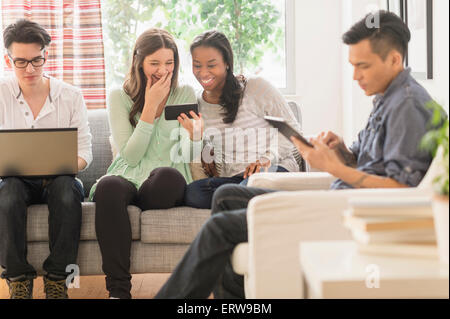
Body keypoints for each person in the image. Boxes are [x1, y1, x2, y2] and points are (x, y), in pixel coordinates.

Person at [155, 11, 445, 299]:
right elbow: (369, 163)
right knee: (226, 195)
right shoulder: (386, 98)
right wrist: (341, 151)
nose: (355, 76)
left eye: (363, 66)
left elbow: (402, 191)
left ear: (394, 60)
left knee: (219, 227)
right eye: (353, 66)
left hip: (347, 213)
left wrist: (334, 168)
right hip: (338, 196)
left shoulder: (407, 107)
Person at [90, 28, 203, 299]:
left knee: (168, 176)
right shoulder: (119, 96)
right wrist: (150, 107)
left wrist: (196, 136)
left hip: (164, 181)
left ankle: (140, 199)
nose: (163, 70)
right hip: (128, 176)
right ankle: (118, 292)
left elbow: (185, 155)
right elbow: (129, 157)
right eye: (155, 63)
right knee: (108, 187)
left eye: (169, 63)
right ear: (139, 62)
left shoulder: (184, 92)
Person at [0, 19, 92, 299]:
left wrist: (61, 165)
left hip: (60, 179)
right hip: (15, 180)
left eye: (36, 61)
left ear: (46, 55)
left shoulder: (71, 96)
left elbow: (85, 152)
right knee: (8, 192)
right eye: (21, 62)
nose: (30, 69)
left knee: (66, 188)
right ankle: (18, 278)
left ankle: (57, 280)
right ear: (8, 60)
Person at [184, 30, 301, 209]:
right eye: (197, 65)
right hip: (234, 179)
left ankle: (245, 200)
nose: (203, 73)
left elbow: (292, 131)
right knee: (193, 193)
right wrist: (205, 151)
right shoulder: (199, 104)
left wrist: (267, 158)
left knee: (236, 191)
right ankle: (262, 202)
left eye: (211, 65)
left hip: (271, 170)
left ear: (227, 64)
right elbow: (210, 152)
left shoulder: (256, 87)